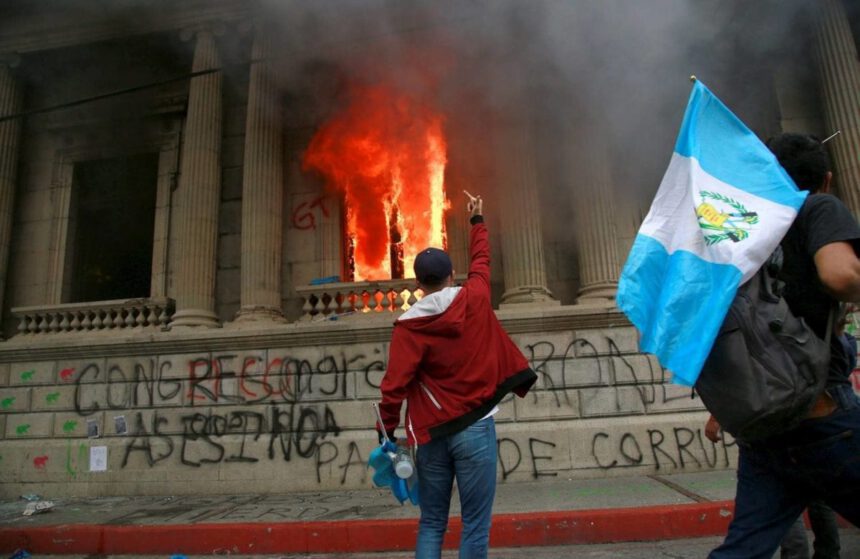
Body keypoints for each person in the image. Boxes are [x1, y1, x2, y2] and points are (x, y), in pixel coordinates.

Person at [707, 133, 860, 558]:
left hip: (765, 421)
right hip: (822, 413)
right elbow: (839, 275)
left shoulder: (741, 232)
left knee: (744, 548)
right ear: (827, 179)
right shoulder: (818, 206)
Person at [377, 191, 537, 559]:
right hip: (476, 427)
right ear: (452, 276)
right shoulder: (475, 296)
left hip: (431, 434)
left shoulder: (408, 327)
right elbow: (482, 261)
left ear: (418, 284)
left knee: (432, 522)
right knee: (475, 524)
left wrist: (386, 433)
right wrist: (476, 220)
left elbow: (394, 388)